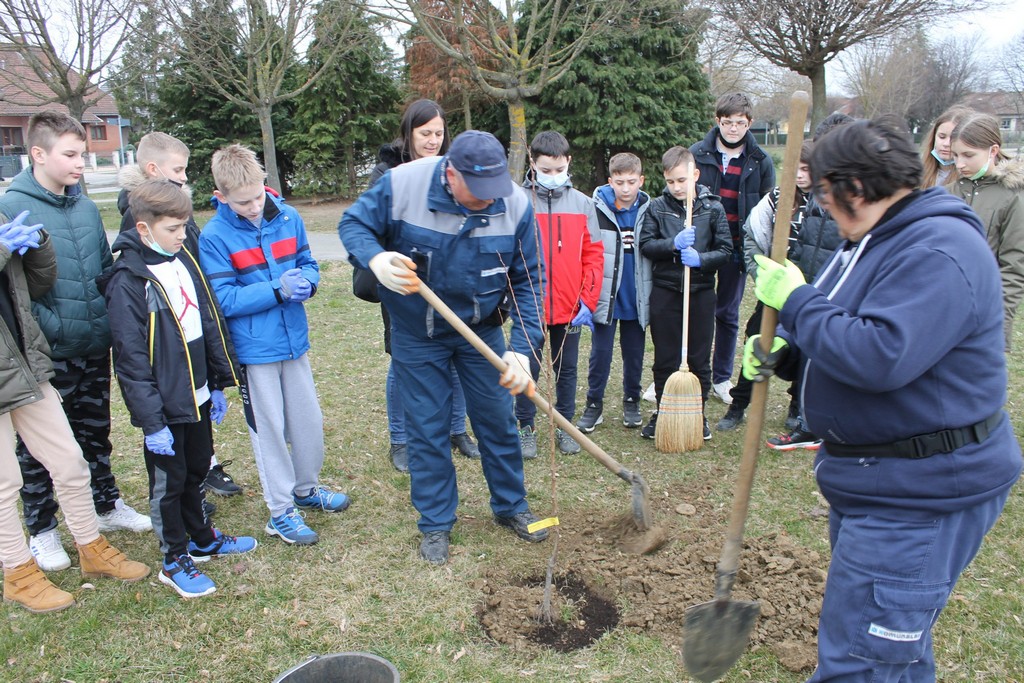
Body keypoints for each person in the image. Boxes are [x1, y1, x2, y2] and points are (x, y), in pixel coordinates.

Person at [743, 116, 1022, 681]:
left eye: (823, 193)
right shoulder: (873, 238)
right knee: (893, 653)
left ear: (854, 188)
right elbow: (850, 327)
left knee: (860, 664)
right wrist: (791, 354)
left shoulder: (940, 250)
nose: (820, 207)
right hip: (878, 479)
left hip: (923, 492)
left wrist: (796, 301)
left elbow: (880, 354)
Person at [339, 130, 549, 566]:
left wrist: (523, 350)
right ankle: (436, 522)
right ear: (450, 173)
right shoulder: (403, 185)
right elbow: (353, 224)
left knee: (497, 420)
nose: (488, 202)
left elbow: (529, 282)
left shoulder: (515, 204)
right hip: (417, 333)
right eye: (478, 192)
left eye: (494, 192)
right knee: (428, 428)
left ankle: (511, 505)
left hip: (482, 330)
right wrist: (375, 258)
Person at [0, 111, 151, 576]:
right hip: (46, 351)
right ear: (39, 154)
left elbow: (103, 267)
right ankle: (42, 528)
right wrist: (49, 326)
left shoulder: (85, 206)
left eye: (83, 154)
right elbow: (17, 285)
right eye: (70, 155)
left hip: (92, 340)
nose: (80, 164)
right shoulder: (12, 206)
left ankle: (105, 505)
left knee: (93, 431)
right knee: (38, 449)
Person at [102, 180, 257, 599]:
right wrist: (152, 422)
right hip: (165, 407)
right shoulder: (129, 281)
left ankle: (201, 539)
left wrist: (218, 382)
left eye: (185, 226)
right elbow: (132, 361)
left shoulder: (182, 259)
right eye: (173, 228)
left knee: (196, 470)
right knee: (167, 483)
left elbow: (204, 322)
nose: (182, 235)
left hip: (199, 395)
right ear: (143, 228)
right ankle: (174, 558)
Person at [199, 144, 349, 547]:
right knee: (268, 431)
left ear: (266, 184)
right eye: (242, 201)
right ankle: (281, 511)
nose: (252, 206)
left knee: (307, 422)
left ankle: (306, 488)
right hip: (254, 351)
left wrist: (310, 283)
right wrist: (277, 290)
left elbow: (308, 261)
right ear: (222, 197)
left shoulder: (289, 216)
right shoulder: (214, 236)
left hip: (293, 343)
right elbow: (224, 299)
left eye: (257, 196)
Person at [117, 131, 243, 505]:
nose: (185, 177)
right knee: (178, 437)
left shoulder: (179, 213)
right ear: (153, 169)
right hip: (169, 358)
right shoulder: (139, 219)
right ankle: (186, 502)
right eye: (179, 169)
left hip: (194, 338)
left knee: (198, 424)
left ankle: (204, 472)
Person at [366, 99, 480, 471]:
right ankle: (400, 439)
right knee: (404, 362)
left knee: (458, 351)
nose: (432, 140)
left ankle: (456, 429)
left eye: (438, 133)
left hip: (449, 281)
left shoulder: (452, 170)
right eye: (424, 133)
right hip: (404, 283)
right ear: (409, 133)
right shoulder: (387, 174)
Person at [717, 142, 814, 448]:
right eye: (794, 168)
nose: (798, 175)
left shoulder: (827, 203)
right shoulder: (776, 199)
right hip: (775, 291)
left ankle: (797, 407)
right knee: (757, 342)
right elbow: (752, 237)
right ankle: (738, 405)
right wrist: (762, 275)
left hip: (808, 292)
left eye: (806, 169)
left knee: (806, 348)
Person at [515, 131, 603, 456]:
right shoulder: (519, 201)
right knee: (528, 368)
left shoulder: (583, 204)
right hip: (530, 305)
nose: (553, 176)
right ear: (533, 165)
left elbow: (594, 255)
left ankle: (566, 426)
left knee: (566, 370)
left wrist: (588, 301)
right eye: (545, 170)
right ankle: (525, 426)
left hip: (570, 306)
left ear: (568, 163)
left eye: (558, 169)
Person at [638, 146, 731, 441]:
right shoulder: (657, 207)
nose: (676, 187)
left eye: (682, 180)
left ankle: (697, 414)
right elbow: (647, 245)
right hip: (666, 292)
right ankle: (663, 412)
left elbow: (726, 251)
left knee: (699, 357)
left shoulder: (712, 208)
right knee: (665, 357)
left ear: (695, 175)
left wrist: (701, 259)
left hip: (701, 292)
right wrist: (673, 244)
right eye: (670, 182)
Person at [690, 93, 775, 405]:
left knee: (727, 313)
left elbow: (769, 206)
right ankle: (685, 371)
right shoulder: (697, 154)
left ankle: (722, 377)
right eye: (728, 123)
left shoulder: (761, 161)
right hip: (701, 245)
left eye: (740, 123)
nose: (734, 129)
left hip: (736, 247)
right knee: (694, 310)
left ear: (749, 124)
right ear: (718, 121)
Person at [577, 153, 652, 434]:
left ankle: (632, 400)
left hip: (636, 297)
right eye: (619, 182)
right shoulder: (595, 210)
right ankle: (593, 404)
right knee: (601, 354)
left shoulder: (649, 209)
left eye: (631, 182)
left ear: (641, 181)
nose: (625, 188)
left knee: (634, 354)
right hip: (605, 297)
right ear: (610, 181)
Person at [949, 111, 1024, 349]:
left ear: (993, 151)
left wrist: (997, 327)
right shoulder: (947, 192)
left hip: (983, 312)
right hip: (943, 308)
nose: (960, 164)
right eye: (956, 155)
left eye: (969, 155)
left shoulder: (1013, 197)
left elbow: (1014, 266)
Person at [920, 105, 973, 189]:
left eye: (953, 138)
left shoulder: (972, 180)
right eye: (942, 137)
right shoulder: (917, 172)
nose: (946, 144)